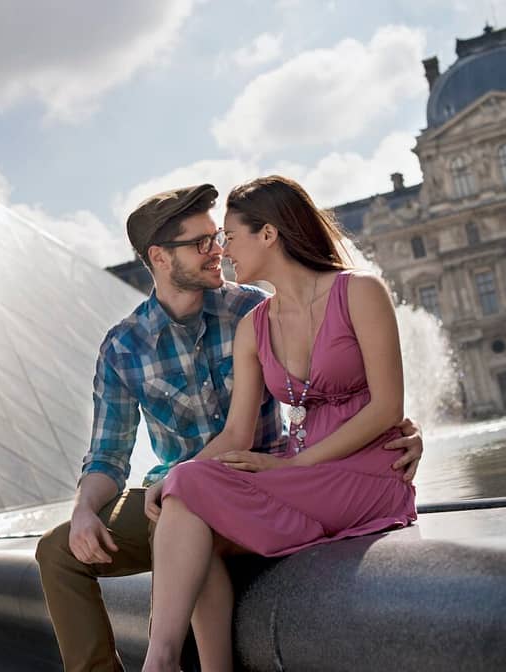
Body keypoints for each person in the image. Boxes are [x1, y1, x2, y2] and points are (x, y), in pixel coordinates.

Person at [34, 182, 424, 672]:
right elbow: (108, 456)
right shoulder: (124, 348)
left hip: (263, 476)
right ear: (159, 256)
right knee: (59, 549)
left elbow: (373, 396)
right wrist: (87, 508)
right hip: (205, 481)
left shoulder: (249, 306)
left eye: (220, 237)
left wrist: (408, 432)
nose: (218, 250)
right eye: (202, 243)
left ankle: (167, 663)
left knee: (185, 504)